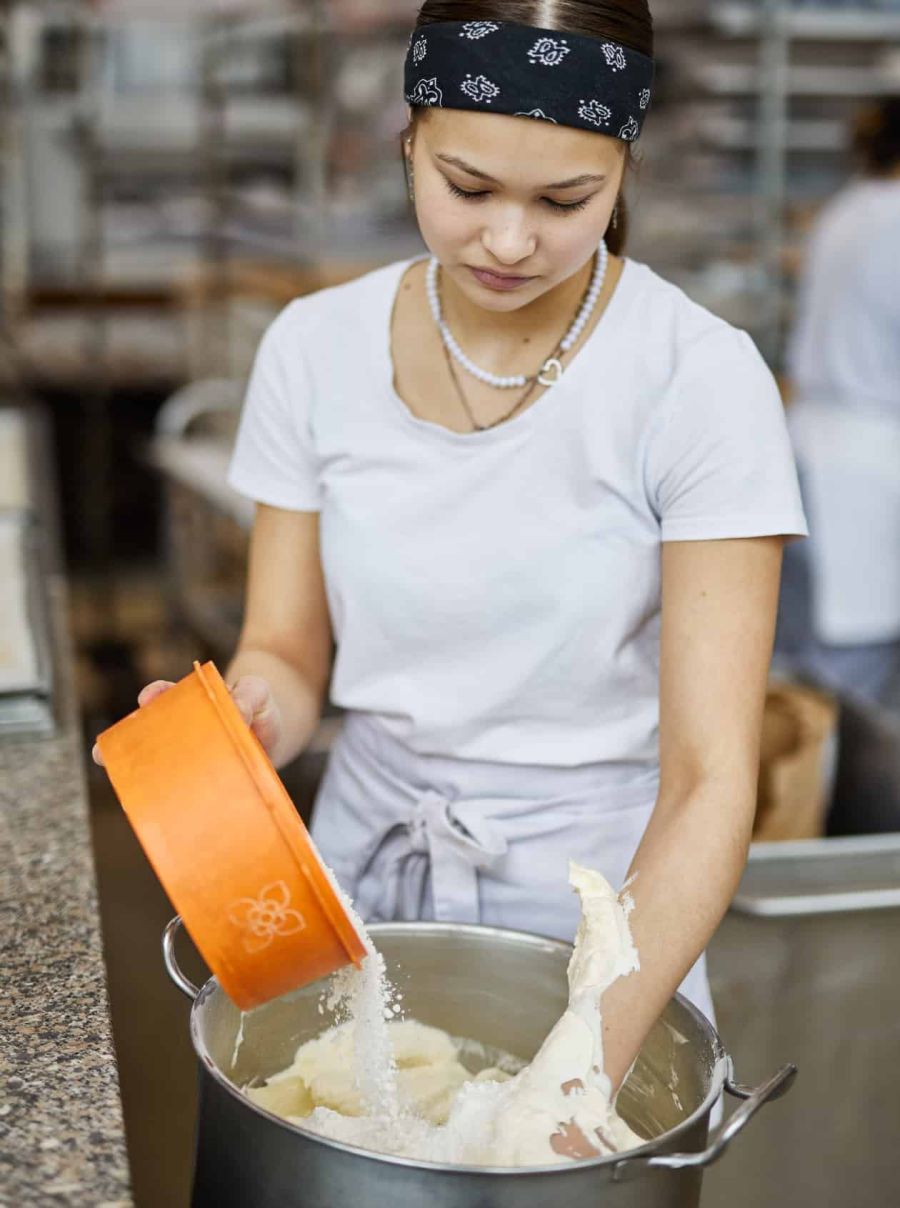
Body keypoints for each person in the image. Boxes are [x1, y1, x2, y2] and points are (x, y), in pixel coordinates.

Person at [97, 0, 807, 1094]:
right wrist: (250, 721)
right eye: (467, 188)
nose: (510, 241)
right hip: (360, 872)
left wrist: (579, 1066)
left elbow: (712, 779)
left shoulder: (697, 379)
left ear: (623, 169)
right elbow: (286, 646)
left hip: (605, 911)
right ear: (408, 144)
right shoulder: (314, 349)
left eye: (566, 201)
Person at [776, 96, 900, 706]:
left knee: (806, 663)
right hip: (865, 463)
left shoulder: (847, 209)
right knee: (850, 673)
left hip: (809, 447)